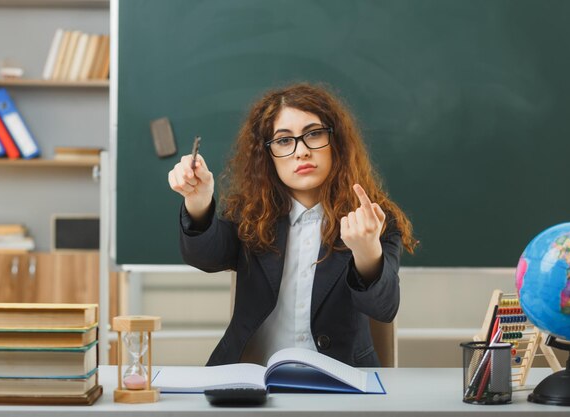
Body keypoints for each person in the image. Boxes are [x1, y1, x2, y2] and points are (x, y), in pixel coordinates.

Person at [168, 83, 417, 367]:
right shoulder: (250, 214)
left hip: (342, 386)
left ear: (336, 142)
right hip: (253, 379)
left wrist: (367, 252)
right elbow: (206, 256)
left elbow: (383, 309)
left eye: (313, 134)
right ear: (268, 155)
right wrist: (198, 203)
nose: (301, 152)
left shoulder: (372, 219)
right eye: (284, 140)